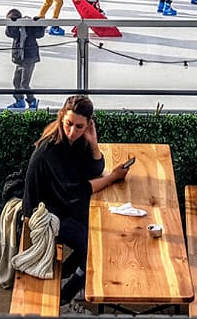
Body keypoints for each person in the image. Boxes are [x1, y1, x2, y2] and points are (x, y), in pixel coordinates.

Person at [21, 95, 131, 305]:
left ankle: (68, 276)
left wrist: (93, 142)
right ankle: (66, 295)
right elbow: (79, 190)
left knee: (99, 235)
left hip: (61, 204)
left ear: (89, 124)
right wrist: (112, 178)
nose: (73, 131)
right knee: (94, 246)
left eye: (80, 126)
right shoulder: (52, 148)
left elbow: (94, 169)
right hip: (44, 215)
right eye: (69, 124)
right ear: (61, 116)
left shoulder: (76, 140)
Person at [5, 8, 46, 110]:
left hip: (29, 58)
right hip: (20, 59)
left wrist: (39, 24)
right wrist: (10, 24)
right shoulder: (16, 29)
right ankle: (19, 101)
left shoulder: (29, 26)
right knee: (16, 82)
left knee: (24, 83)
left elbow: (39, 34)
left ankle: (32, 101)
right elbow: (9, 34)